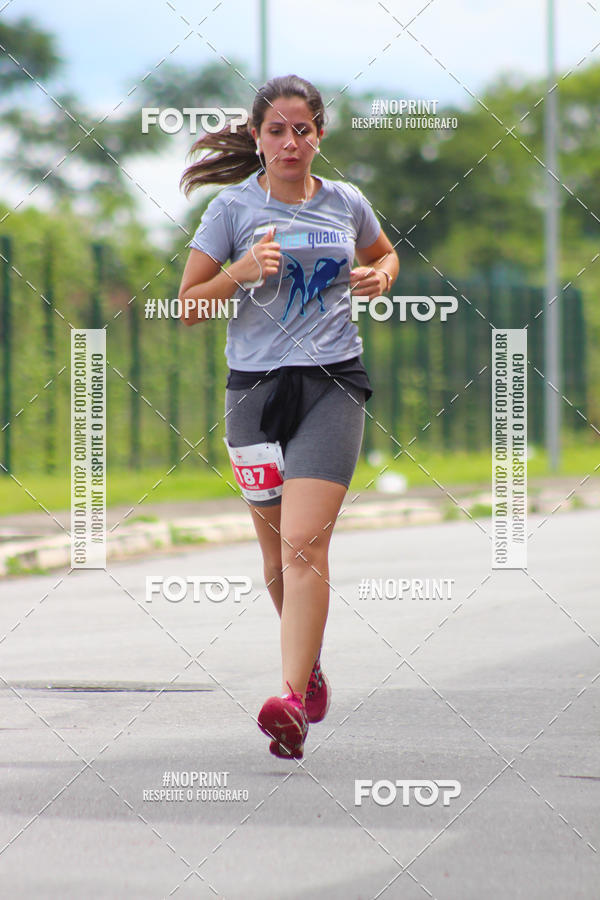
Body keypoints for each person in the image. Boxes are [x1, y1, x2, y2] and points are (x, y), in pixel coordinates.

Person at [178, 74, 399, 759]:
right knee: (275, 553)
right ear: (257, 136)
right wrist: (240, 271)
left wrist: (381, 276)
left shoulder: (346, 202)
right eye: (276, 129)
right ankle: (308, 676)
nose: (289, 141)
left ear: (319, 135)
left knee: (305, 544)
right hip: (253, 394)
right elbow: (189, 305)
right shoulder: (230, 210)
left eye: (302, 129)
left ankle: (286, 698)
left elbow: (384, 252)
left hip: (332, 383)